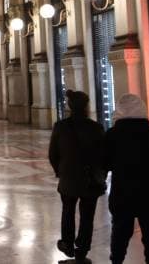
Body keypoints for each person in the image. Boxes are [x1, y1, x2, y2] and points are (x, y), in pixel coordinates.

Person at [103, 94, 149, 264]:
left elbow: (105, 162)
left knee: (120, 231)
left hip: (122, 192)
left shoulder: (112, 135)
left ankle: (116, 260)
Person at [49, 90, 105, 264]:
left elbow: (52, 154)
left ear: (69, 106)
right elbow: (103, 155)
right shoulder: (96, 127)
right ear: (87, 106)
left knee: (68, 211)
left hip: (68, 178)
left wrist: (60, 170)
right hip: (90, 179)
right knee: (87, 216)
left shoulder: (60, 126)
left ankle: (67, 244)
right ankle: (82, 249)